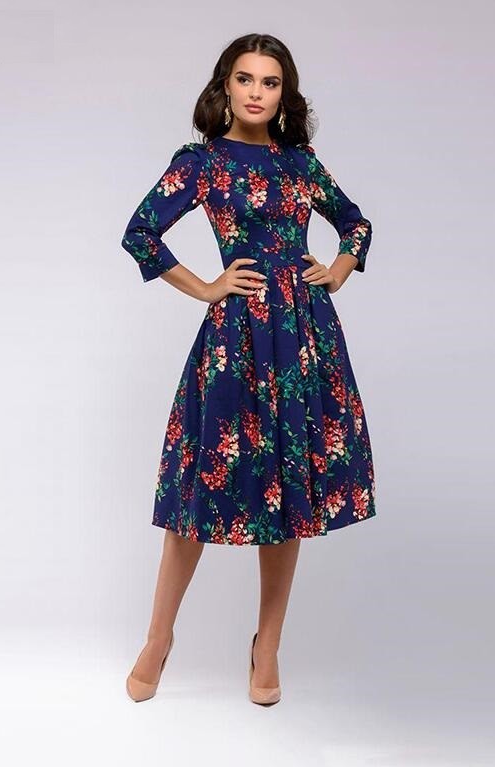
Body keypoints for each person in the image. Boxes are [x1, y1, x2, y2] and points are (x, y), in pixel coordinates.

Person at [121, 32, 376, 705]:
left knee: (288, 494)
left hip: (303, 339)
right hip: (235, 338)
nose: (257, 92)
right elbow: (140, 232)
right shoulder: (201, 163)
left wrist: (338, 269)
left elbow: (355, 224)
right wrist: (207, 287)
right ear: (224, 87)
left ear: (284, 94)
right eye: (245, 79)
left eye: (270, 81)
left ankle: (268, 645)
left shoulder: (300, 163)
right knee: (197, 492)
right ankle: (158, 637)